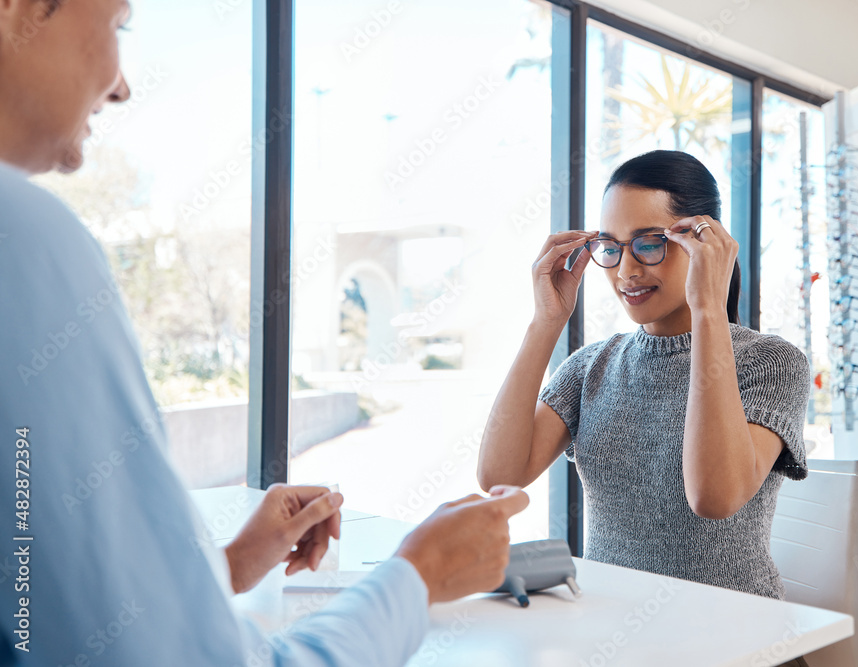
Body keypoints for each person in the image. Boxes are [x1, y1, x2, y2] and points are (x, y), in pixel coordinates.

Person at [0, 0, 528, 665]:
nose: (122, 84)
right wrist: (418, 577)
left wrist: (228, 565)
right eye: (118, 24)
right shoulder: (26, 240)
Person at [478, 149, 811, 600]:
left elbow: (714, 497)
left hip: (733, 638)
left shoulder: (770, 363)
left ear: (704, 243)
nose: (626, 271)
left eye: (649, 244)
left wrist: (708, 309)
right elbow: (501, 474)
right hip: (610, 631)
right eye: (610, 248)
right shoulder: (590, 367)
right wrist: (546, 323)